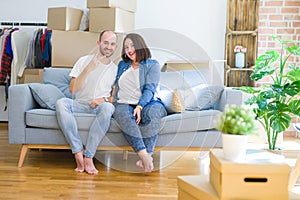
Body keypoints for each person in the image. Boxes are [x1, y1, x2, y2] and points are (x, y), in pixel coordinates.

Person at [56, 30, 118, 175]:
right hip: (80, 105)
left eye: (112, 44)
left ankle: (89, 156)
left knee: (108, 108)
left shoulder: (115, 70)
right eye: (106, 43)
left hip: (100, 106)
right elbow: (72, 89)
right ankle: (78, 151)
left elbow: (114, 98)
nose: (108, 47)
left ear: (115, 47)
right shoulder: (83, 60)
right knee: (61, 103)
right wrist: (88, 70)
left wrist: (101, 100)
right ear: (99, 43)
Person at [113, 33, 167, 173]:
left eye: (132, 45)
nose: (129, 50)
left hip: (148, 102)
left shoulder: (152, 64)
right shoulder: (122, 65)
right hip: (124, 103)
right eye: (126, 47)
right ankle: (144, 156)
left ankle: (148, 154)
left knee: (153, 112)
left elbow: (150, 89)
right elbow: (115, 86)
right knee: (122, 114)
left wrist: (140, 106)